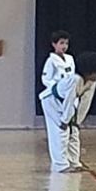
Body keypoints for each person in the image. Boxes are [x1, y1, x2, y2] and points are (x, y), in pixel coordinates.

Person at [43, 51, 96, 175]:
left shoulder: (90, 82)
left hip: (66, 104)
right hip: (51, 101)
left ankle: (74, 162)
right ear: (88, 72)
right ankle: (61, 165)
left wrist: (77, 121)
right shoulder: (75, 80)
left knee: (74, 132)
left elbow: (85, 101)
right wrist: (65, 120)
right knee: (60, 133)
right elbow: (69, 100)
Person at [39, 32, 76, 171]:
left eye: (66, 43)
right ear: (54, 44)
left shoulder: (70, 59)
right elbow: (46, 80)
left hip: (67, 97)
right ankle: (60, 164)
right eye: (61, 43)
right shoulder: (51, 61)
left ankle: (70, 160)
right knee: (57, 131)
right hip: (53, 96)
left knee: (69, 132)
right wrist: (58, 88)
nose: (64, 46)